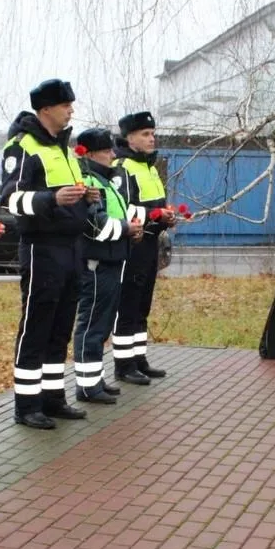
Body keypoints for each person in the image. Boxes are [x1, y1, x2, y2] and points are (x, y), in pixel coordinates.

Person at [0, 79, 90, 429]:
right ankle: (26, 406)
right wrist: (51, 199)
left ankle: (53, 398)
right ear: (46, 109)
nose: (71, 110)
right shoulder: (23, 146)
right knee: (37, 325)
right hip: (42, 247)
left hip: (72, 246)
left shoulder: (65, 148)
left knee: (60, 326)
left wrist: (85, 197)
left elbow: (67, 192)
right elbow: (10, 199)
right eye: (66, 105)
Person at [72, 127, 142, 404]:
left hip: (111, 259)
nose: (113, 155)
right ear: (89, 154)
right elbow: (94, 224)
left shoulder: (105, 180)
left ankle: (95, 379)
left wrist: (130, 230)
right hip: (96, 262)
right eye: (106, 150)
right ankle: (87, 386)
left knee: (101, 325)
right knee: (92, 323)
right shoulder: (89, 182)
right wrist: (126, 229)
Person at [112, 111, 173, 384]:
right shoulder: (122, 167)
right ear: (129, 138)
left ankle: (139, 359)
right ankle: (124, 365)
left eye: (153, 134)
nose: (152, 139)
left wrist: (166, 216)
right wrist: (155, 215)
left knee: (142, 304)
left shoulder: (149, 167)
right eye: (145, 134)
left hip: (150, 243)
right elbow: (121, 209)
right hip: (131, 244)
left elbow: (156, 204)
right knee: (128, 304)